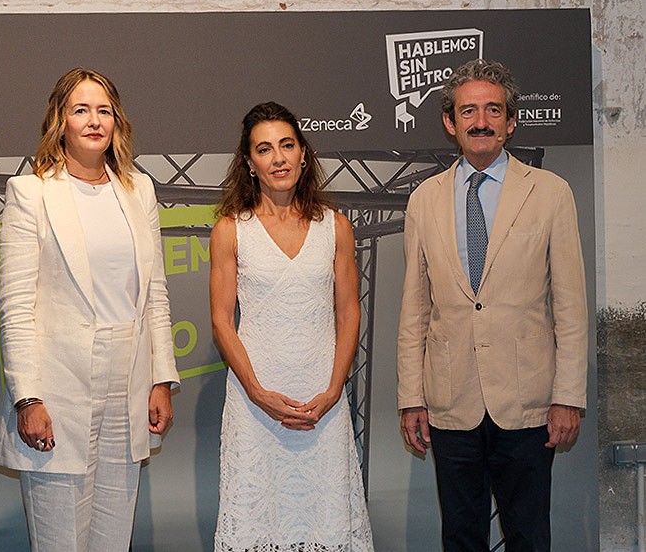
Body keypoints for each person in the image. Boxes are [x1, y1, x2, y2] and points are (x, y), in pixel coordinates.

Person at [397, 59, 588, 552]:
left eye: (492, 110)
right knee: (461, 536)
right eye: (468, 111)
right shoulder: (423, 200)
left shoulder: (550, 194)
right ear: (450, 122)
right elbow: (415, 308)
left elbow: (569, 305)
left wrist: (568, 395)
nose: (480, 121)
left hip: (528, 402)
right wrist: (411, 397)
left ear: (511, 120)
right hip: (449, 398)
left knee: (528, 534)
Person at [0, 67, 179, 552]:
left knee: (114, 536)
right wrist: (27, 399)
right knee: (60, 539)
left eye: (104, 110)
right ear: (60, 121)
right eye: (81, 110)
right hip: (58, 387)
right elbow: (16, 308)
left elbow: (155, 292)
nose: (94, 120)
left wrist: (161, 378)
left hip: (130, 380)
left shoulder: (141, 191)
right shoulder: (30, 193)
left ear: (117, 121)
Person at [209, 101, 374, 551]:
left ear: (304, 154)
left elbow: (348, 313)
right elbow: (222, 322)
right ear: (250, 163)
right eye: (265, 149)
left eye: (287, 145)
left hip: (323, 400)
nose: (278, 158)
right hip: (254, 403)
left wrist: (334, 389)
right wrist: (258, 394)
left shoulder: (336, 227)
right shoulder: (230, 229)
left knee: (325, 520)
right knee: (259, 521)